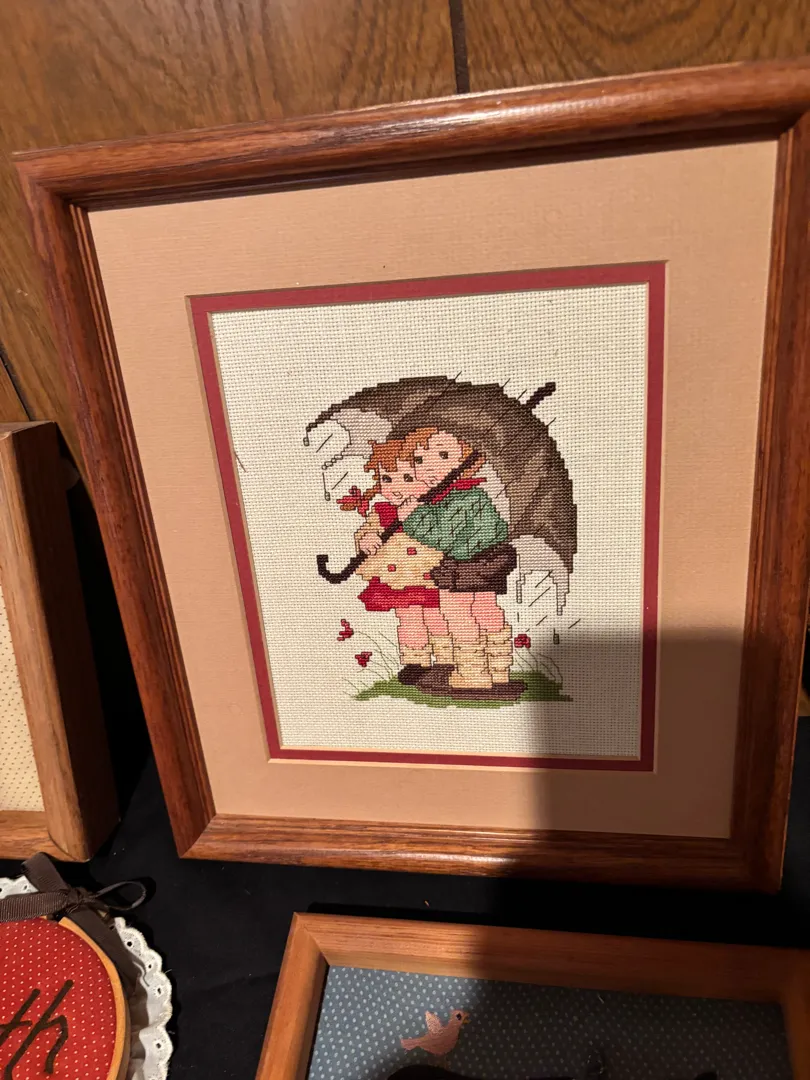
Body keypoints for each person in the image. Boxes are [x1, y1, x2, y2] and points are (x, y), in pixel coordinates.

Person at [339, 436, 453, 685]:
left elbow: (445, 534)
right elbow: (367, 531)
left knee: (436, 616)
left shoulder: (435, 507)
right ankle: (416, 661)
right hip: (398, 576)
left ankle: (447, 660)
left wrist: (417, 515)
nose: (396, 488)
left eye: (408, 478)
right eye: (387, 479)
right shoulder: (382, 511)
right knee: (409, 618)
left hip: (430, 575)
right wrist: (367, 538)